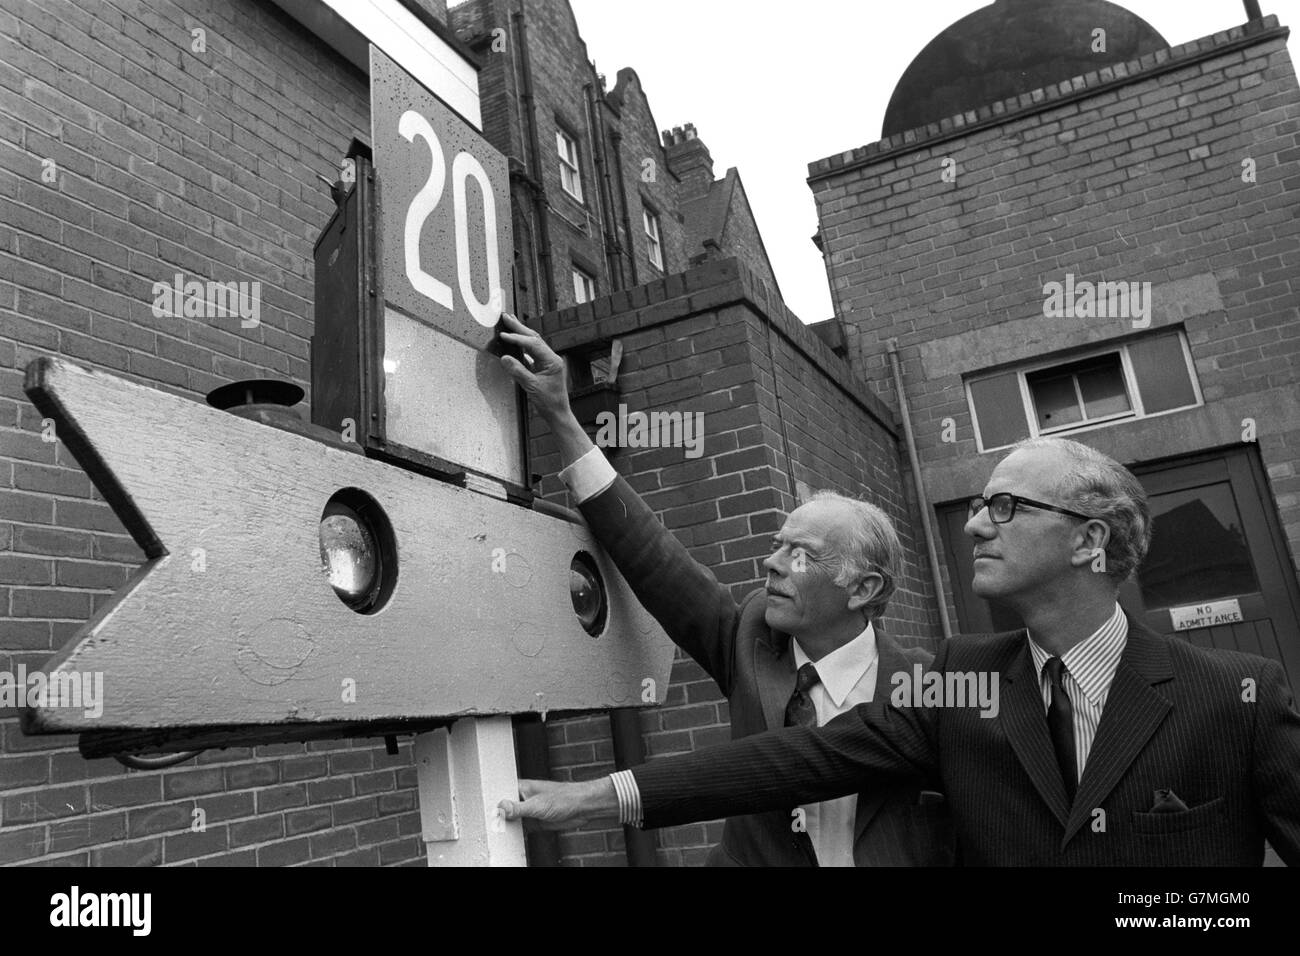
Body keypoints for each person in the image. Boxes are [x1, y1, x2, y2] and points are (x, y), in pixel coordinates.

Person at [497, 391, 1300, 866]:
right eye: (980, 504)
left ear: (1091, 540)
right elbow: (795, 761)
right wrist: (599, 799)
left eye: (1008, 507)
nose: (977, 526)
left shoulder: (1238, 699)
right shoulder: (962, 684)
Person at [497, 313, 953, 866]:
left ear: (862, 588)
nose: (772, 562)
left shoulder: (929, 691)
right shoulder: (748, 642)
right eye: (778, 543)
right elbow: (653, 558)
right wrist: (561, 415)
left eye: (800, 554)